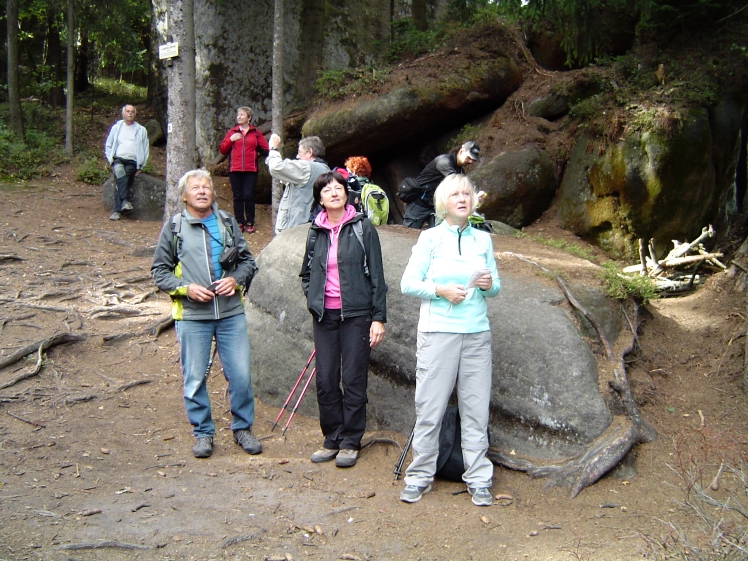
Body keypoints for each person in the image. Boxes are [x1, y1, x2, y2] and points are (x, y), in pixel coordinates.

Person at [399, 174, 500, 506]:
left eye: (467, 193)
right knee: (430, 406)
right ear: (444, 201)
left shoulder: (482, 240)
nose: (462, 198)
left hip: (476, 333)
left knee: (476, 409)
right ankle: (420, 475)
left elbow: (496, 287)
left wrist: (486, 284)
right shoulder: (430, 238)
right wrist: (440, 290)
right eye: (455, 194)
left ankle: (478, 478)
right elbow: (408, 284)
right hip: (438, 331)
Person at [151, 169, 262, 459]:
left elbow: (247, 261)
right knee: (195, 377)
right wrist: (185, 289)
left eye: (206, 187)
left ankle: (242, 429)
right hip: (192, 315)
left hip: (230, 313)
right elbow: (159, 271)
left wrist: (235, 279)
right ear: (184, 196)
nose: (202, 191)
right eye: (195, 188)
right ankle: (202, 433)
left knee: (240, 375)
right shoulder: (174, 227)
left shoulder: (226, 222)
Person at [300, 171, 387, 468]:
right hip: (324, 315)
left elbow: (377, 274)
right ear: (320, 199)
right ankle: (332, 438)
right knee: (325, 379)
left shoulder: (362, 227)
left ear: (346, 194)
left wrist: (378, 318)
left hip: (357, 315)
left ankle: (350, 440)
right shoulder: (316, 230)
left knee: (352, 378)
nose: (334, 193)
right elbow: (307, 272)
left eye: (338, 188)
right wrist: (312, 298)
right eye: (327, 190)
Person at [402, 141, 480, 229]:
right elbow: (456, 181)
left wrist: (476, 193)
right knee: (409, 232)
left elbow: (465, 183)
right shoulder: (444, 161)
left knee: (442, 234)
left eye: (473, 160)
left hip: (435, 207)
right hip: (419, 203)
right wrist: (474, 192)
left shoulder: (459, 170)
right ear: (461, 152)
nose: (470, 161)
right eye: (469, 158)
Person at [218, 106, 269, 234]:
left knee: (248, 196)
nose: (239, 117)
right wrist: (231, 140)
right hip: (234, 169)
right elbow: (223, 149)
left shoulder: (256, 133)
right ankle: (239, 222)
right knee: (238, 196)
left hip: (250, 169)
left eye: (242, 115)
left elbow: (265, 148)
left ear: (249, 117)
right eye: (238, 115)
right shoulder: (232, 132)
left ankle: (250, 222)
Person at [266, 134, 329, 234]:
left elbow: (276, 167)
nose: (297, 156)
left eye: (300, 152)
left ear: (310, 152)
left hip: (294, 231)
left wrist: (273, 148)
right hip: (308, 228)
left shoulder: (306, 168)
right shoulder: (324, 169)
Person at [104, 104, 150, 221]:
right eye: (128, 111)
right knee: (120, 174)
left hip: (133, 161)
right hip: (118, 158)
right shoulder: (116, 128)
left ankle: (116, 211)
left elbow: (146, 149)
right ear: (123, 113)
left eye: (132, 112)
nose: (130, 113)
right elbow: (109, 145)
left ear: (135, 114)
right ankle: (124, 201)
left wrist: (141, 166)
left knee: (122, 179)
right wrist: (111, 161)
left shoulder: (141, 130)